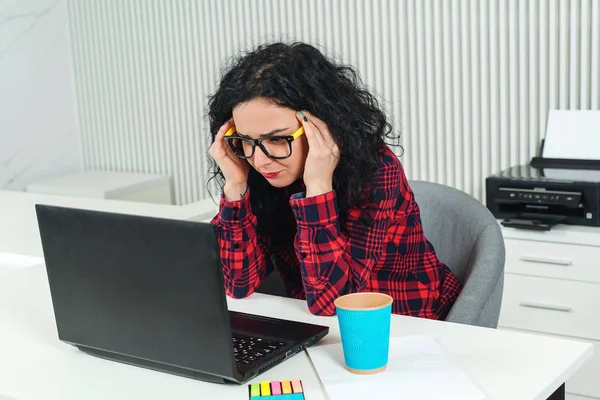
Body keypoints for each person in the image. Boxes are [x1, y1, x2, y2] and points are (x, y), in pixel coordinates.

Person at [208, 41, 462, 318]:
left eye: (277, 139)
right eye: (245, 141)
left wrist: (318, 190)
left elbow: (334, 302)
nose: (260, 160)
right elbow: (237, 283)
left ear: (321, 125)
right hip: (320, 328)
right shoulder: (260, 174)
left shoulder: (377, 170)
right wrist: (235, 188)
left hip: (405, 325)